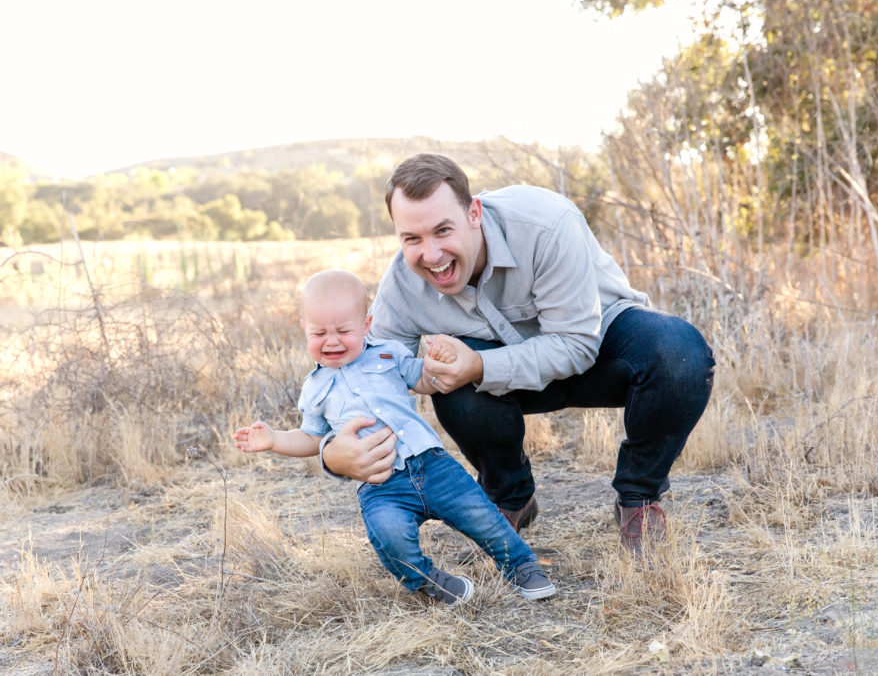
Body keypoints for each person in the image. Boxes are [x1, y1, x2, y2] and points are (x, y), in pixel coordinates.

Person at [321, 153, 715, 556]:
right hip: (504, 381)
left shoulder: (545, 224)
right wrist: (333, 451)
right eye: (412, 239)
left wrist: (478, 365)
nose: (432, 254)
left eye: (443, 230)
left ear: (473, 212)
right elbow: (369, 380)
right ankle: (509, 499)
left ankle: (640, 497)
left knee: (679, 354)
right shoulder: (402, 286)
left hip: (603, 348)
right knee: (447, 377)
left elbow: (577, 345)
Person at [233, 269, 556, 605]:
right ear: (303, 328)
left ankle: (520, 565)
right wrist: (273, 440)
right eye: (318, 333)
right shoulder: (313, 389)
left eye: (344, 330)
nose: (331, 341)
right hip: (379, 484)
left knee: (481, 515)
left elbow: (426, 380)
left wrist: (436, 362)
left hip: (431, 465)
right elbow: (311, 437)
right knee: (389, 538)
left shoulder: (389, 354)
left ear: (366, 325)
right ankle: (430, 581)